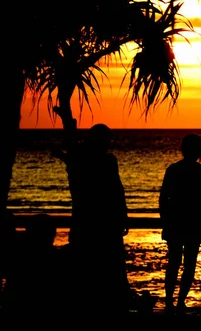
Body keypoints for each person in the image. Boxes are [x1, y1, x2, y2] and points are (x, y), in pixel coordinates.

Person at [52, 123, 131, 314]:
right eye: (107, 140)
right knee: (108, 264)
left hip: (89, 220)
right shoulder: (105, 160)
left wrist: (62, 155)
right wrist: (123, 214)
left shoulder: (83, 158)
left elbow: (74, 165)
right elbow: (116, 189)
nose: (109, 143)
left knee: (90, 264)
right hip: (103, 221)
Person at [159, 133, 201, 312]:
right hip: (192, 223)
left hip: (176, 221)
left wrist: (165, 221)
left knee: (174, 262)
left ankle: (170, 301)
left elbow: (163, 198)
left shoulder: (173, 169)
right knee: (189, 263)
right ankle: (179, 301)